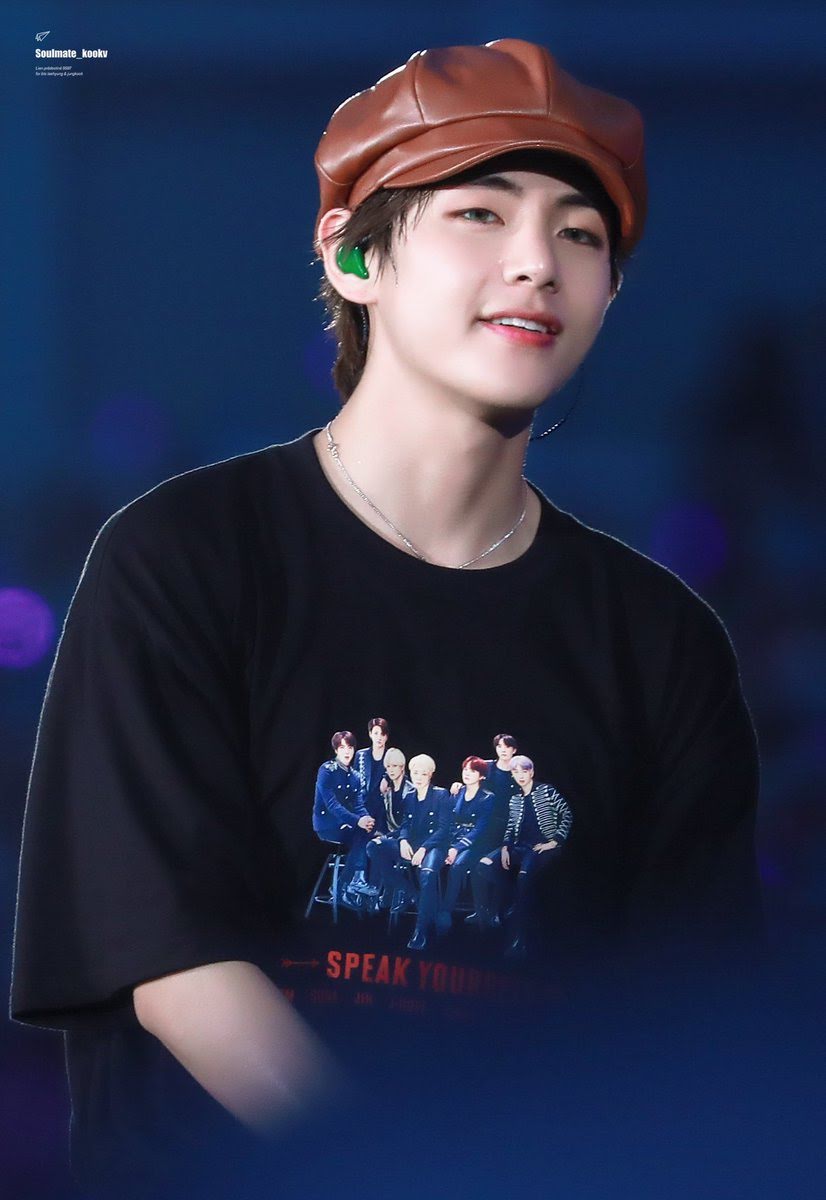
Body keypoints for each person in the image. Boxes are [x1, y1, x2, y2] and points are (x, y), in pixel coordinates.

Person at [10, 37, 762, 1196]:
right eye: (479, 214)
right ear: (354, 255)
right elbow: (174, 964)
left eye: (579, 236)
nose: (537, 263)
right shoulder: (186, 559)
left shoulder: (658, 643)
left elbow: (683, 1024)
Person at [477, 755, 572, 955]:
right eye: (515, 772)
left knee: (523, 878)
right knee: (484, 865)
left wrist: (555, 841)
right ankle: (516, 896)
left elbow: (567, 814)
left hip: (540, 847)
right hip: (519, 846)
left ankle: (518, 939)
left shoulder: (546, 791)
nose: (520, 775)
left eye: (524, 771)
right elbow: (511, 826)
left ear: (531, 772)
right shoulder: (515, 799)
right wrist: (505, 847)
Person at [312, 730, 375, 901]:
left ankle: (346, 885)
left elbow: (358, 805)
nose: (347, 752)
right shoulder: (327, 770)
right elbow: (332, 804)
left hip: (347, 823)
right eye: (342, 748)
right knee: (361, 832)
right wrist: (357, 821)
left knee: (370, 831)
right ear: (336, 750)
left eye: (350, 748)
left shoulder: (355, 776)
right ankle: (350, 883)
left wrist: (367, 820)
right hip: (327, 823)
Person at [437, 756, 495, 933]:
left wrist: (457, 848)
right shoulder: (458, 792)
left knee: (457, 866)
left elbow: (480, 829)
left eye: (473, 771)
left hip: (475, 843)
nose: (467, 774)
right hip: (453, 839)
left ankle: (446, 911)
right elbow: (448, 820)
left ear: (482, 776)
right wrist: (449, 846)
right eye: (465, 770)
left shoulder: (487, 798)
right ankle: (429, 906)